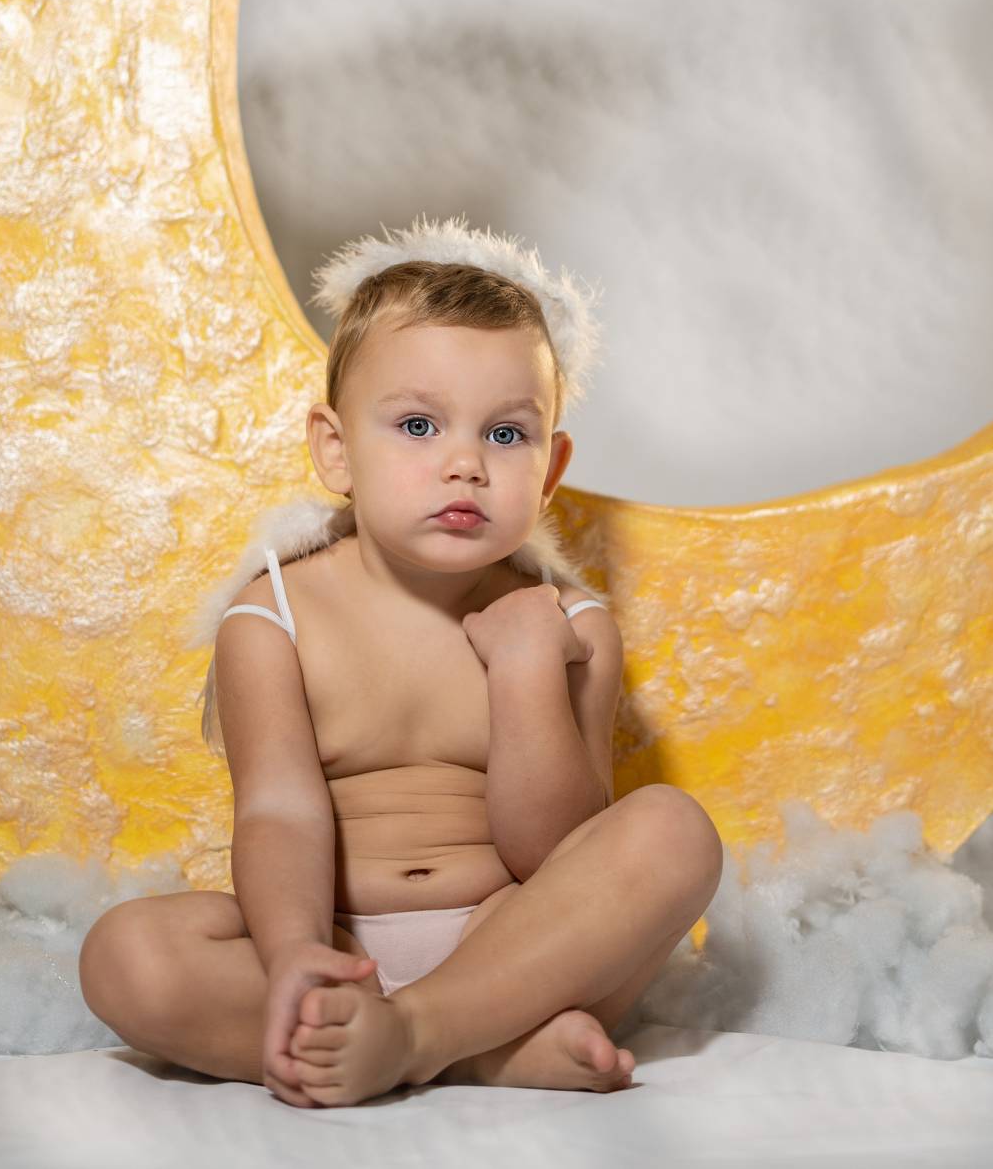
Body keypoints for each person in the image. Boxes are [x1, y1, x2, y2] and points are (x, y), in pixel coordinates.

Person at [79, 213, 724, 1108]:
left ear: (550, 469)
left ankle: (423, 1031)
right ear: (336, 449)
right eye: (418, 425)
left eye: (506, 436)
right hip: (339, 942)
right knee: (126, 957)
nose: (464, 464)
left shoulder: (569, 626)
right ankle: (477, 1053)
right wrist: (297, 953)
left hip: (512, 948)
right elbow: (278, 812)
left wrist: (527, 674)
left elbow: (554, 855)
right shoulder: (272, 618)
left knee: (671, 832)